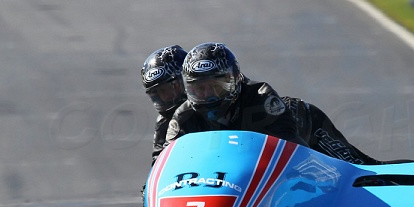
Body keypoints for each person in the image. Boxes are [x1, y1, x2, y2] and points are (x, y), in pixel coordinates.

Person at [162, 42, 388, 164]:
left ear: (236, 79)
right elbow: (162, 166)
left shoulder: (261, 97)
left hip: (307, 131)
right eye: (199, 89)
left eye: (216, 86)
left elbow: (295, 151)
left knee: (359, 171)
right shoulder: (182, 118)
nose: (209, 95)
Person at [141, 45, 188, 165]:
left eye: (170, 88)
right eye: (158, 92)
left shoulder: (216, 108)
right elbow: (158, 165)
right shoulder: (163, 123)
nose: (165, 96)